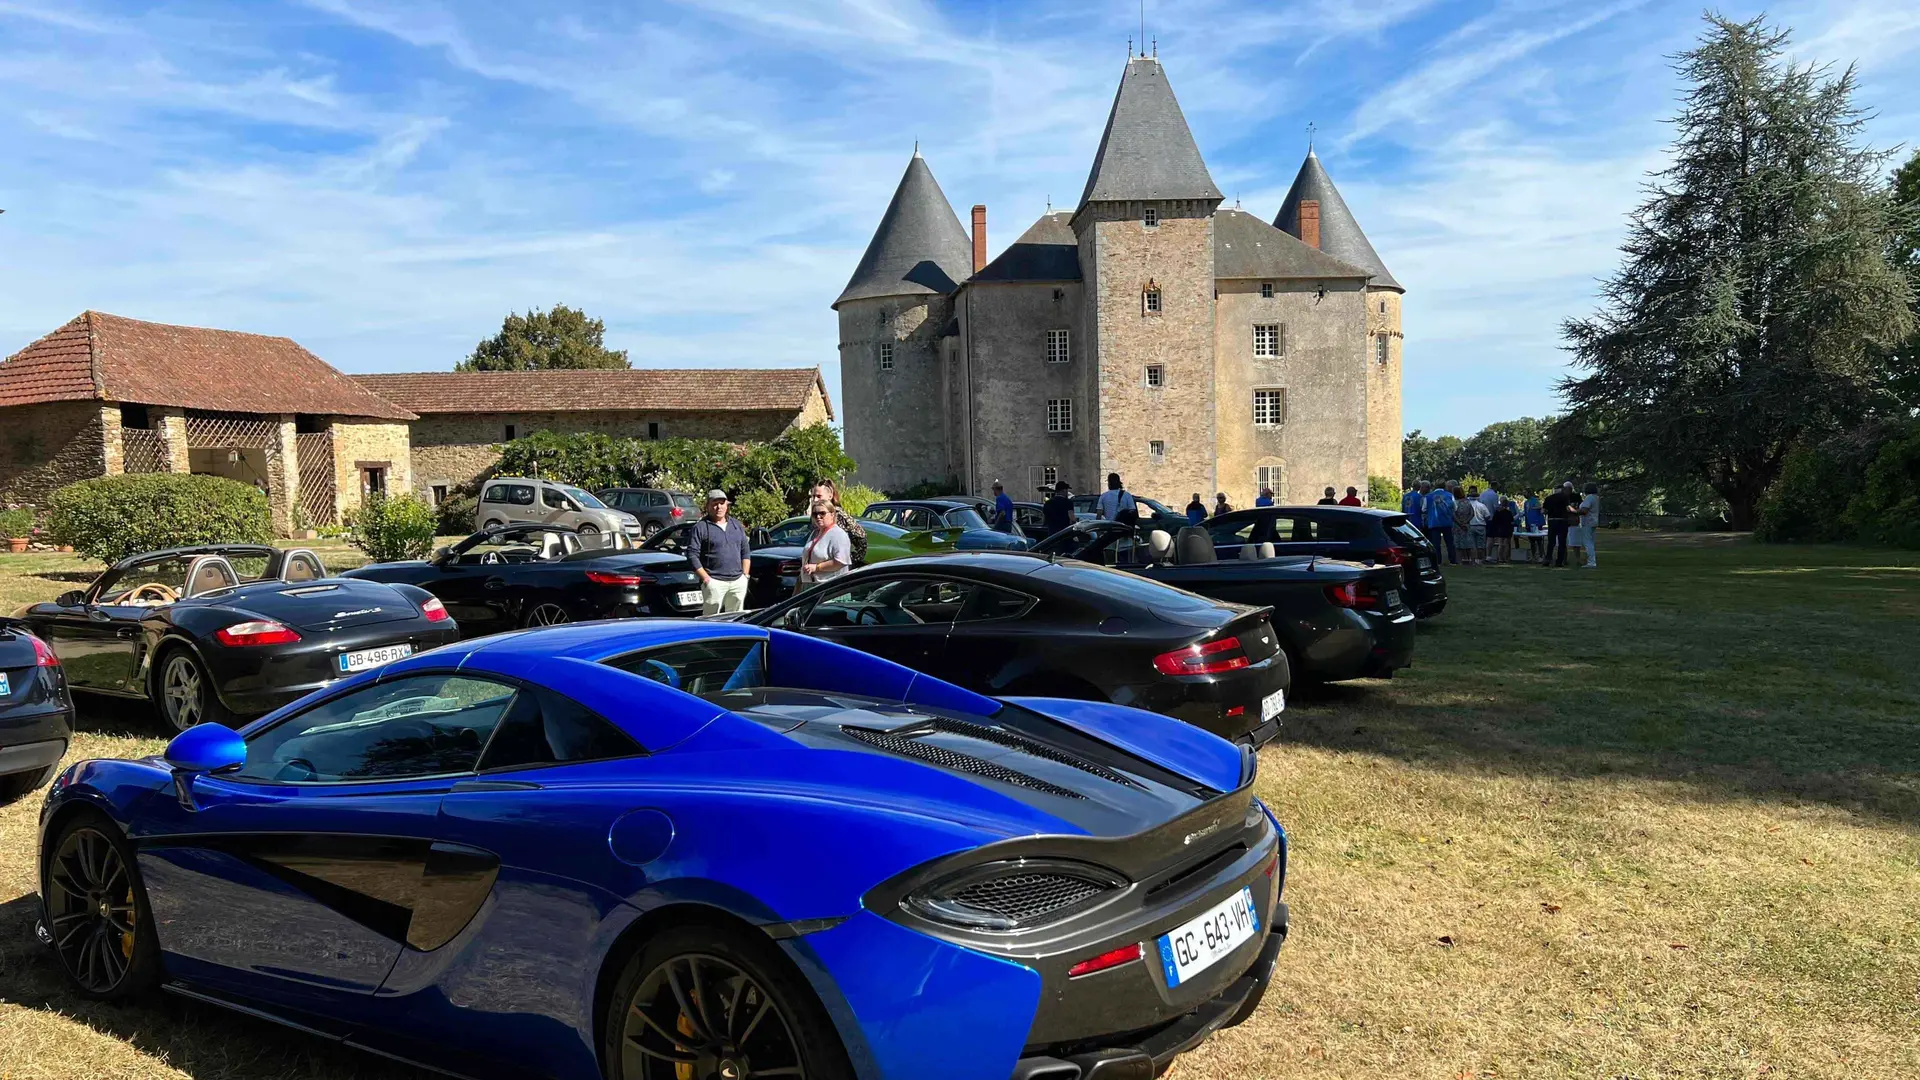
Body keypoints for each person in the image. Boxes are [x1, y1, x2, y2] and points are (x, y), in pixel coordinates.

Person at [687, 489, 751, 613]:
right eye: (715, 503)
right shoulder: (700, 527)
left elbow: (745, 551)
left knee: (736, 619)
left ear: (727, 505)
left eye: (722, 503)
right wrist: (706, 579)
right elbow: (692, 555)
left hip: (738, 581)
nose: (719, 507)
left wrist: (745, 576)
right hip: (714, 582)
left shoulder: (736, 525)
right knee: (710, 622)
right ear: (708, 506)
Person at [808, 479, 867, 567]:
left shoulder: (839, 515)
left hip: (834, 571)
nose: (815, 499)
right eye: (813, 496)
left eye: (819, 496)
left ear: (830, 496)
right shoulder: (814, 516)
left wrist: (851, 560)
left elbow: (861, 537)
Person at [798, 499, 850, 590]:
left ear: (832, 514)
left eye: (822, 513)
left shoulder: (838, 534)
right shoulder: (815, 533)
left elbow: (841, 562)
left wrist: (817, 567)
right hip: (809, 586)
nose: (818, 517)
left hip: (830, 589)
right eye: (815, 514)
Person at [1542, 482, 1576, 567]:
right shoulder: (1564, 497)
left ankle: (1548, 558)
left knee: (1551, 541)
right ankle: (1559, 561)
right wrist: (1575, 511)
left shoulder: (1548, 498)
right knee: (1562, 542)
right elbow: (1568, 508)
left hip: (1552, 520)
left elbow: (1544, 511)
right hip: (1562, 521)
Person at [1425, 481, 1457, 564]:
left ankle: (1438, 561)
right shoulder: (1450, 495)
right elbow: (1455, 507)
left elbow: (1423, 509)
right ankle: (1453, 560)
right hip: (1447, 522)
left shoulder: (1428, 496)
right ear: (1444, 486)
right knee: (1450, 543)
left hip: (1434, 522)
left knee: (1436, 544)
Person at [1574, 482, 1601, 568]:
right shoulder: (1596, 497)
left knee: (1587, 542)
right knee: (1591, 541)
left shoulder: (1589, 498)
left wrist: (1574, 511)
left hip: (1587, 522)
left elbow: (1584, 510)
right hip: (1594, 521)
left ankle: (1591, 562)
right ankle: (1592, 560)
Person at [1489, 498, 1515, 564]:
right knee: (1506, 544)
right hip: (1507, 529)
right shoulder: (1509, 512)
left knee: (1500, 544)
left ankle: (1500, 558)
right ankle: (1506, 558)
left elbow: (1494, 521)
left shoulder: (1497, 512)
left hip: (1500, 529)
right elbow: (1512, 521)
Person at [1522, 494, 1546, 563]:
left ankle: (1541, 556)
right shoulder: (1526, 502)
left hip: (1537, 523)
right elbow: (1525, 513)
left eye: (1526, 492)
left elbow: (1540, 507)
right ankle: (1533, 556)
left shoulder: (1535, 500)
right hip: (1529, 523)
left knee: (1539, 540)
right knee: (1532, 541)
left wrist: (1535, 508)